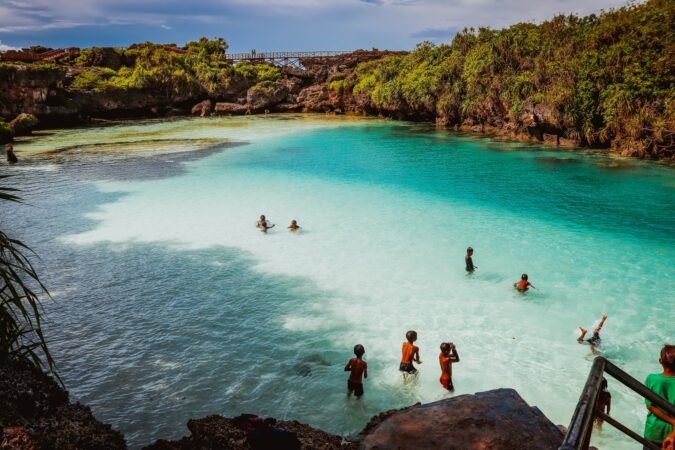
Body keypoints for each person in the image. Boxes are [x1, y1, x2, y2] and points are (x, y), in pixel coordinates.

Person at [644, 345, 675, 450]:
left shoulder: (651, 379)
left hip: (653, 431)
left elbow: (650, 406)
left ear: (660, 361)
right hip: (672, 435)